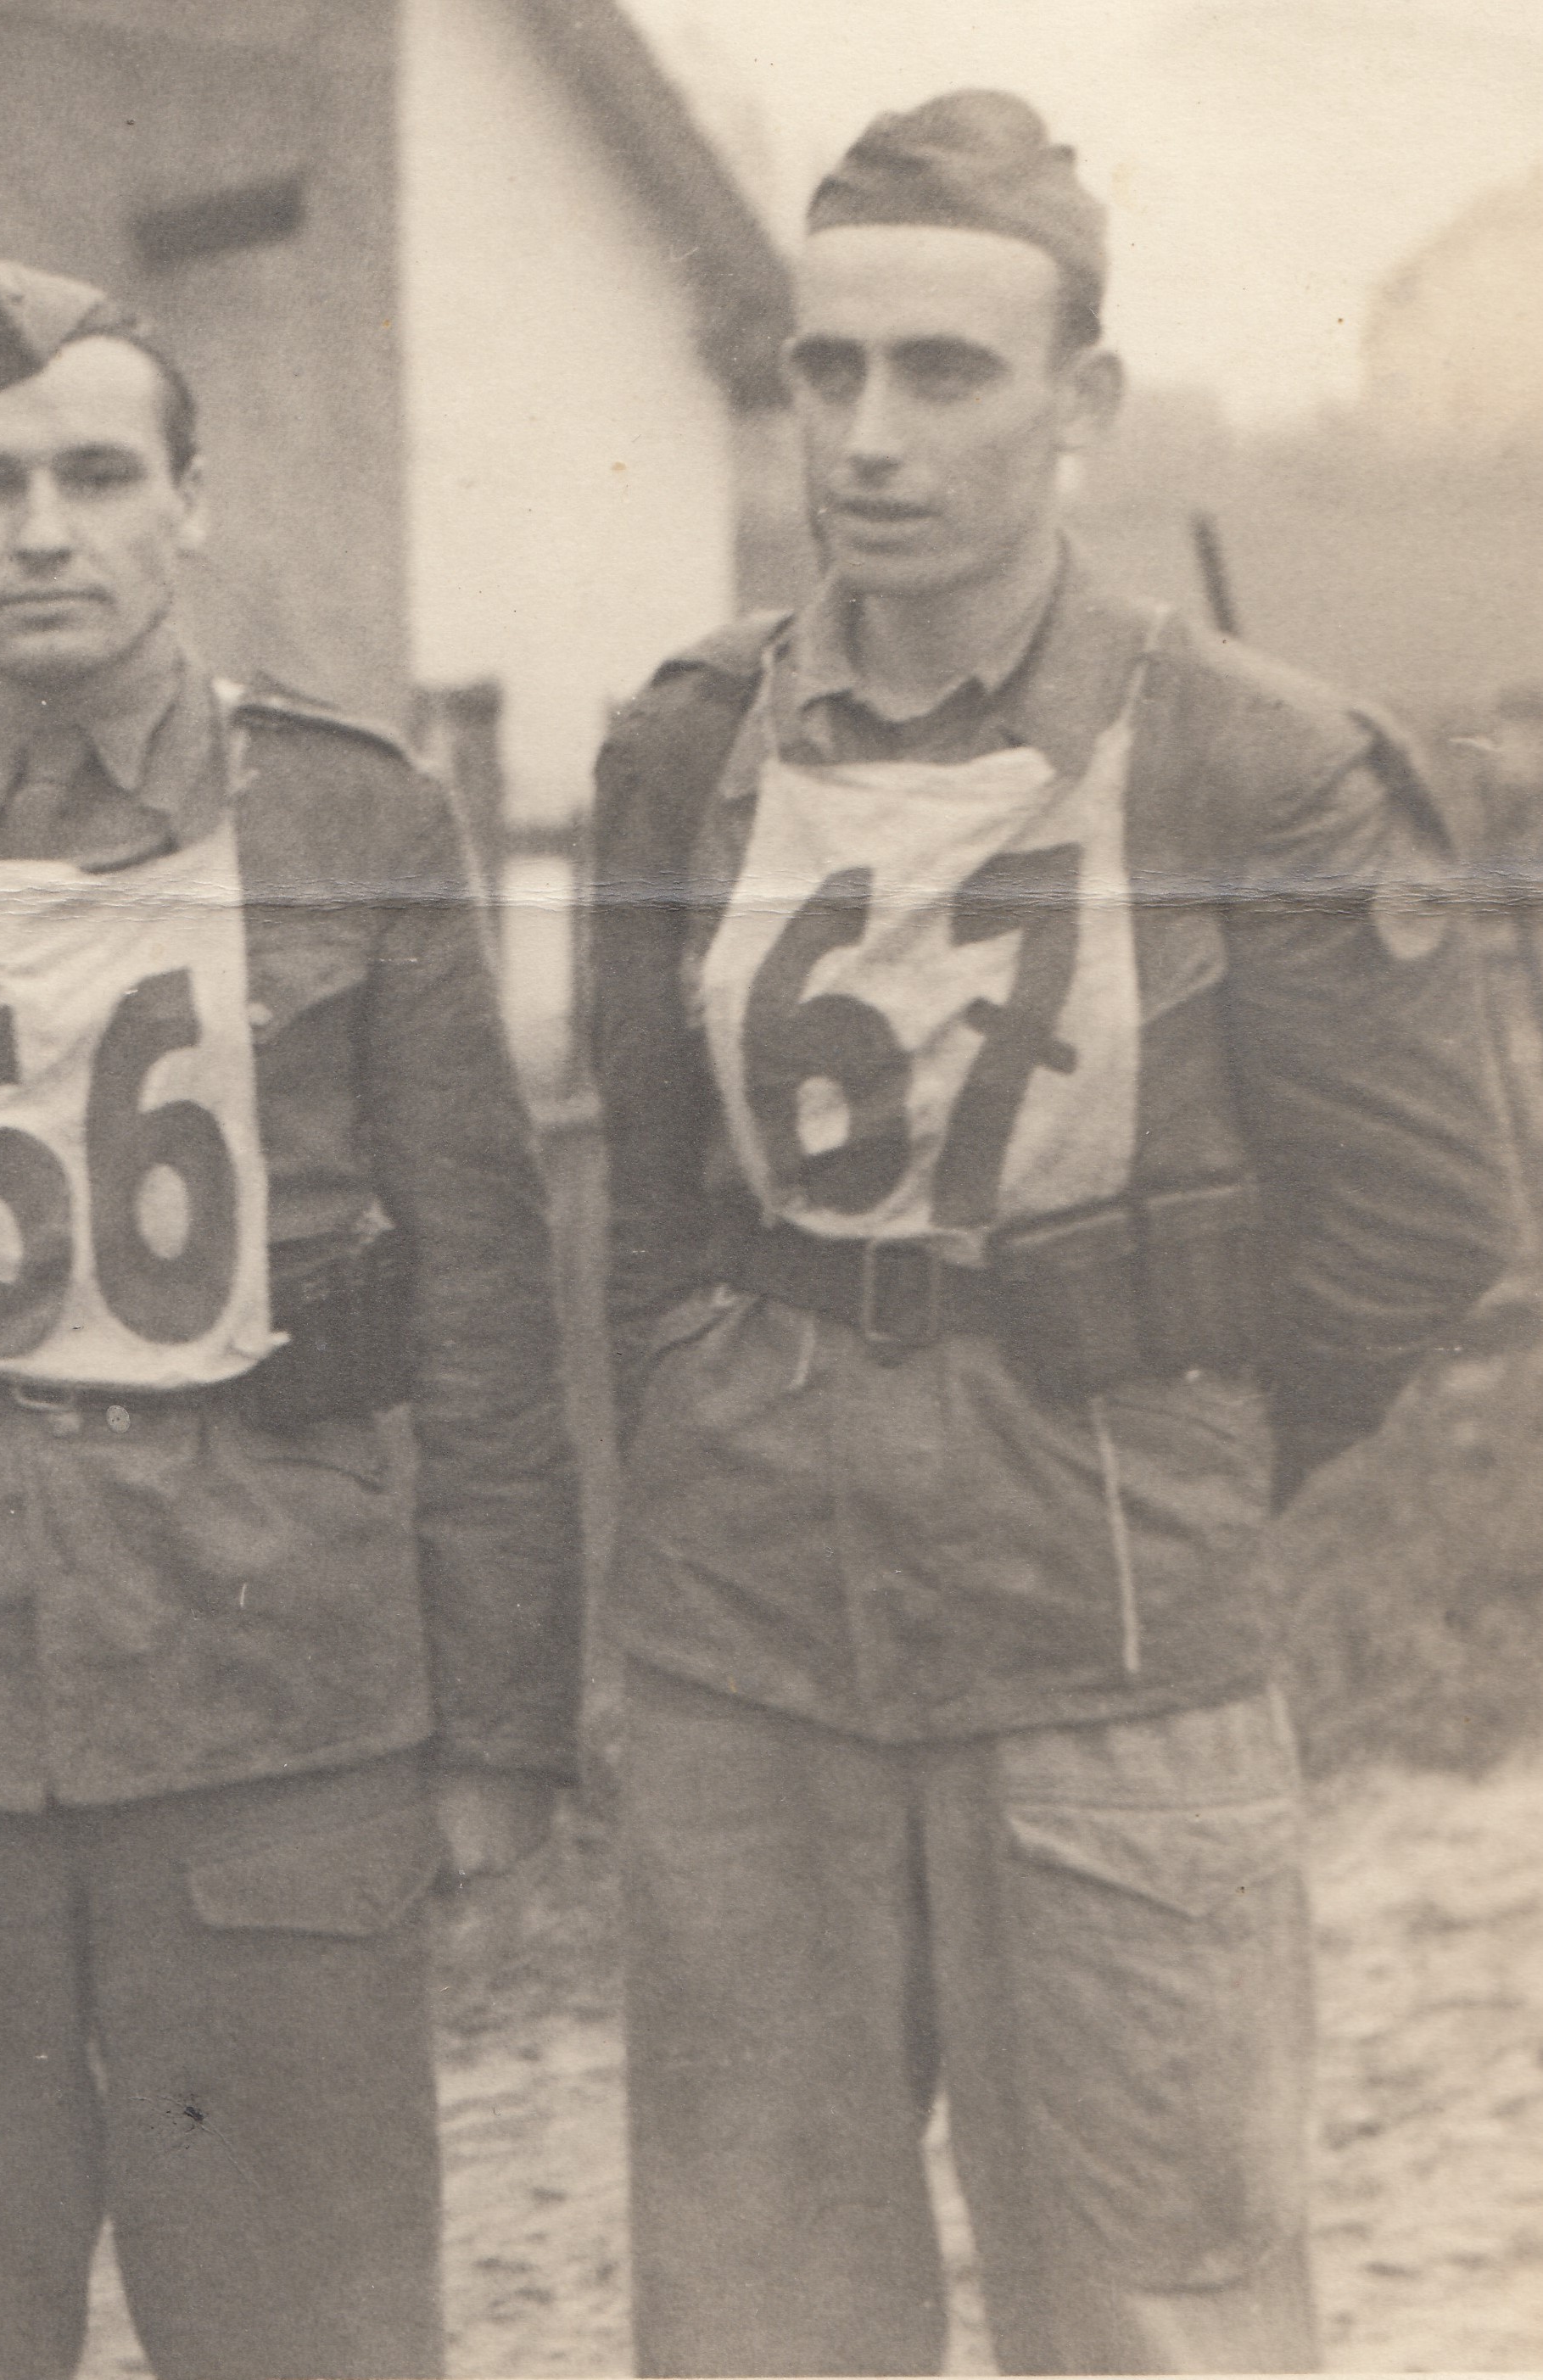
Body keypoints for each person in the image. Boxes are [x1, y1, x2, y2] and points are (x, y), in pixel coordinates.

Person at [589, 90, 1518, 2377]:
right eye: (825, 368)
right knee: (752, 2310)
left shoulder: (1252, 762)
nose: (867, 436)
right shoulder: (689, 742)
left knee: (1154, 2304)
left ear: (1079, 399)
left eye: (943, 371)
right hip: (746, 1651)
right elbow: (650, 1186)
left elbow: (1422, 1216)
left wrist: (1180, 1437)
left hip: (1107, 1650)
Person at [0, 256, 581, 2380]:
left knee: (306, 2329)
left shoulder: (353, 819)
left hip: (274, 1682)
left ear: (189, 504)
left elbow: (486, 1302)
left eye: (95, 475)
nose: (38, 531)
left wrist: (501, 1718)